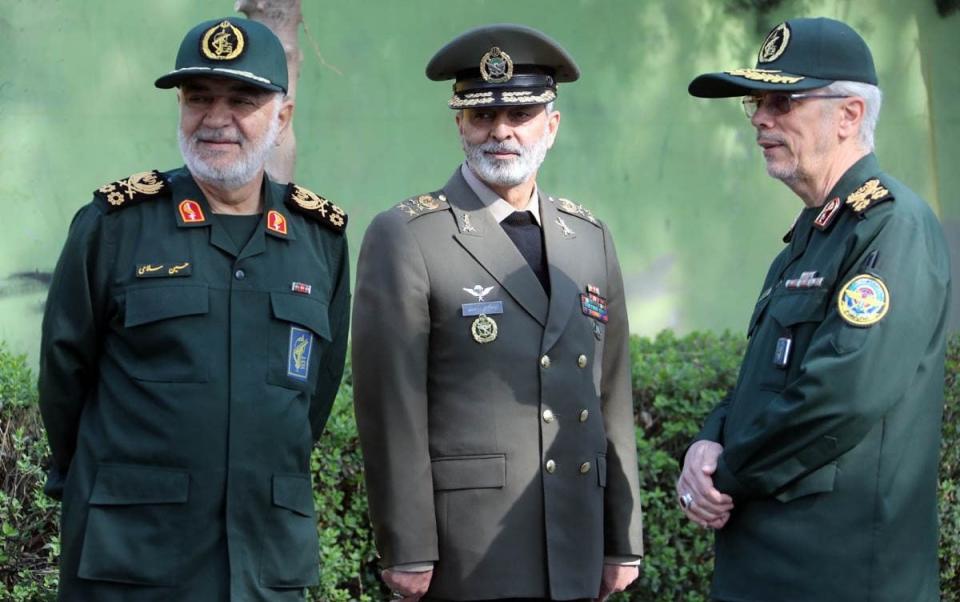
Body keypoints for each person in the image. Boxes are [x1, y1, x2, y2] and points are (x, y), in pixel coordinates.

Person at [38, 17, 350, 601]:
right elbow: (64, 378)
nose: (216, 118)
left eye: (242, 100)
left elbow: (314, 392)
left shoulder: (319, 240)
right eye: (198, 98)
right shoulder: (115, 226)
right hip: (131, 557)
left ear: (282, 116)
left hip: (265, 558)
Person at [351, 23, 644, 602]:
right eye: (483, 116)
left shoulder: (589, 237)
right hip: (471, 547)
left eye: (521, 114)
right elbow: (391, 405)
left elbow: (610, 392)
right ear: (459, 123)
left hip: (577, 539)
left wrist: (623, 538)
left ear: (551, 125)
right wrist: (407, 545)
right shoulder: (408, 235)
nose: (501, 131)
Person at [679, 17, 950, 601]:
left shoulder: (891, 226)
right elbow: (765, 380)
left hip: (839, 576)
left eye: (782, 100)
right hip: (772, 572)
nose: (758, 117)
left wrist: (723, 476)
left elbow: (841, 393)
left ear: (849, 115)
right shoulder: (815, 233)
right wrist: (708, 439)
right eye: (756, 101)